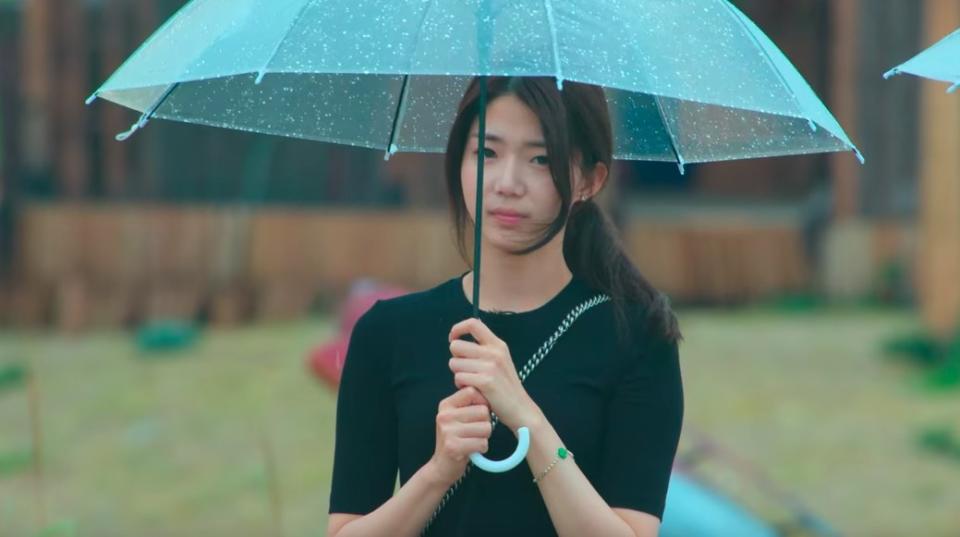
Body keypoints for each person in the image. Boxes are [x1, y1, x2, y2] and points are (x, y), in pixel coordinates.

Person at [327, 76, 684, 537]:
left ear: (589, 180)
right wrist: (437, 472)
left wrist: (526, 417)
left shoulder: (635, 336)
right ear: (459, 162)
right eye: (487, 153)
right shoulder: (388, 332)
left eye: (540, 159)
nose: (507, 183)